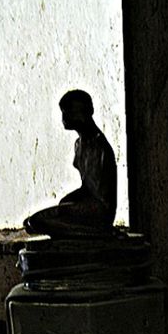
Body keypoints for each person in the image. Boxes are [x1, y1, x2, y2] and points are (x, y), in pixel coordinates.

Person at [23, 89, 117, 237]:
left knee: (37, 221)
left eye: (70, 112)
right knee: (35, 221)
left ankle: (97, 232)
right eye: (64, 112)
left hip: (99, 210)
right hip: (88, 204)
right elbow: (87, 187)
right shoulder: (79, 144)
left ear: (87, 112)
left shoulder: (99, 145)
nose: (65, 117)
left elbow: (100, 195)